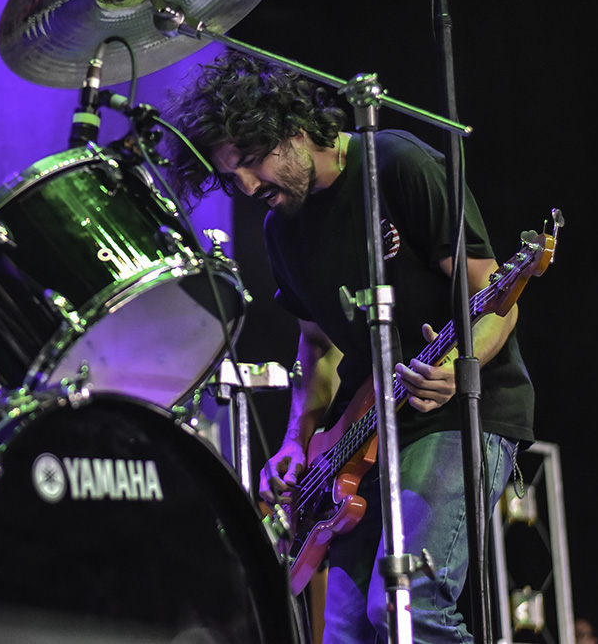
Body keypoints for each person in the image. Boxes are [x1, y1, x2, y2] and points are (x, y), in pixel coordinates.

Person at [163, 50, 534, 644]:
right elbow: (317, 349)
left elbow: (496, 298)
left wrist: (463, 366)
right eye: (234, 177)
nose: (250, 186)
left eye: (255, 162)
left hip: (458, 413)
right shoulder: (280, 229)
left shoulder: (397, 164)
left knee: (407, 603)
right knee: (341, 636)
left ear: (297, 130)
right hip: (365, 433)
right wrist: (295, 440)